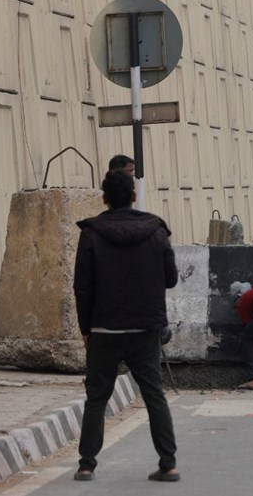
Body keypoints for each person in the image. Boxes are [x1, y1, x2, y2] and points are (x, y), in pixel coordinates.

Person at [72, 171, 178, 482]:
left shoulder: (91, 233)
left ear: (104, 198)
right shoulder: (156, 230)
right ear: (134, 196)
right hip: (145, 328)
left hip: (104, 328)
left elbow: (82, 287)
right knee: (154, 395)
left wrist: (86, 329)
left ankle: (86, 464)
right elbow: (170, 278)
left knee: (97, 397)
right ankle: (168, 463)